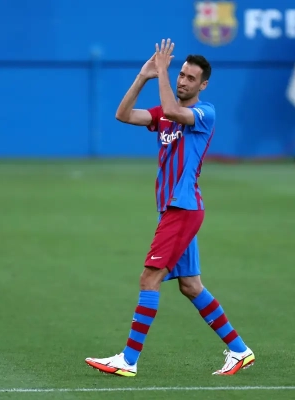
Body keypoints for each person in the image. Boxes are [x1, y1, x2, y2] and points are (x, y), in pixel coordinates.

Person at [84, 39, 255, 377]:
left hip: (183, 207)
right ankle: (239, 350)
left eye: (191, 78)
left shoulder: (204, 114)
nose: (183, 81)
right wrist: (143, 76)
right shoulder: (163, 114)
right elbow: (123, 115)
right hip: (172, 209)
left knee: (149, 278)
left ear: (203, 85)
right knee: (190, 285)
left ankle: (128, 360)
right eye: (181, 74)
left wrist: (161, 71)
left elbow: (174, 111)